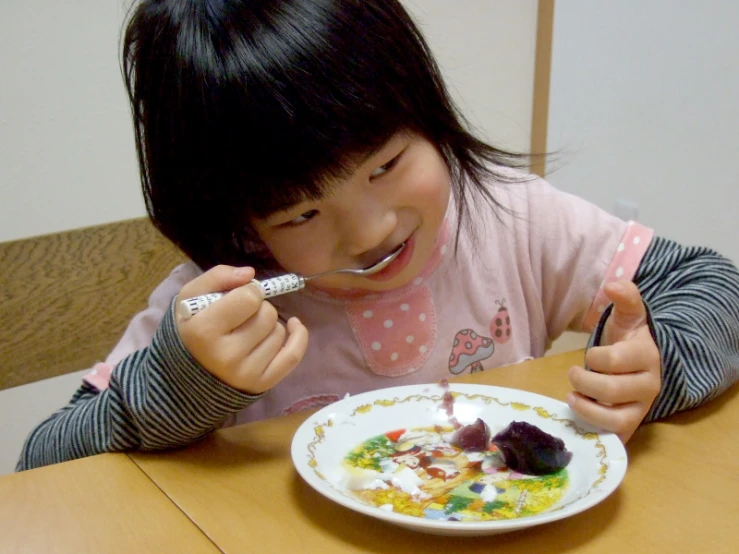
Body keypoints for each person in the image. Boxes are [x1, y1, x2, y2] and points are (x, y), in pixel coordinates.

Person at [17, 0, 739, 471]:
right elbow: (42, 465)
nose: (370, 233)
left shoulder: (509, 218)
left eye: (386, 165)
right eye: (299, 215)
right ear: (239, 225)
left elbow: (714, 285)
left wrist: (656, 365)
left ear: (428, 114)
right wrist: (182, 385)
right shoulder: (218, 315)